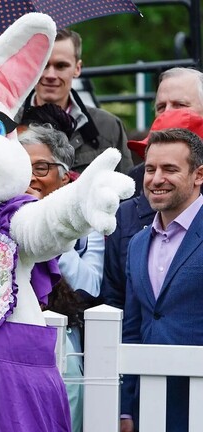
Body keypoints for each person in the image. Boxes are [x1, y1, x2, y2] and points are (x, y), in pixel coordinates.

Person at [20, 123, 104, 432]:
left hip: (66, 348)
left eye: (41, 168)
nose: (30, 177)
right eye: (22, 167)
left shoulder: (86, 222)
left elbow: (89, 287)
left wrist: (54, 231)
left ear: (65, 176)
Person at [120, 128, 203, 432]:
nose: (156, 179)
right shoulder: (137, 244)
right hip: (150, 405)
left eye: (169, 169)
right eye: (150, 169)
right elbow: (133, 329)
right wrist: (125, 408)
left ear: (198, 175)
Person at [101, 69, 203, 309]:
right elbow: (116, 300)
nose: (168, 114)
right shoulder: (130, 195)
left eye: (180, 105)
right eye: (161, 107)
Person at [17, 28, 133, 174]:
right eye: (44, 64)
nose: (50, 75)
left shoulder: (108, 127)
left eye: (61, 66)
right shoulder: (8, 125)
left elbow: (127, 184)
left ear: (77, 68)